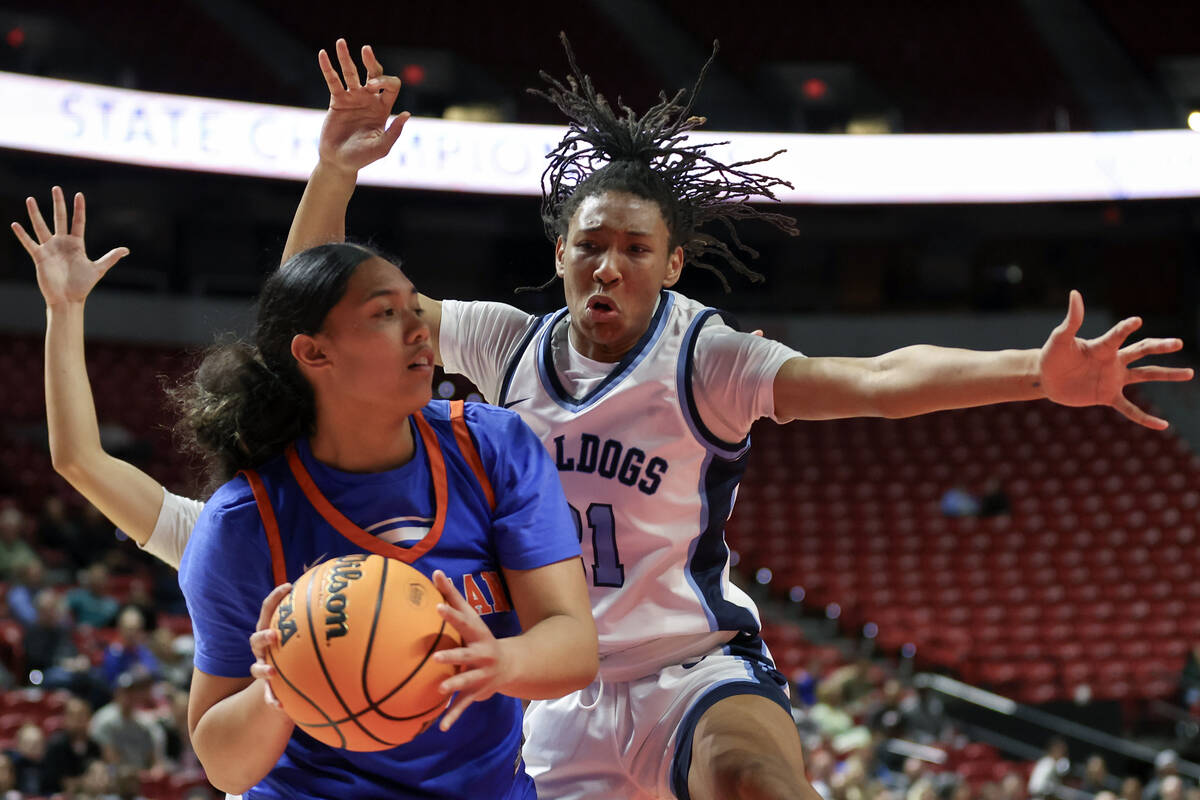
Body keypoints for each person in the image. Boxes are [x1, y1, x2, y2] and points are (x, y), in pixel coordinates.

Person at [278, 38, 1192, 800]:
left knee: (754, 778)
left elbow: (876, 379)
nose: (608, 267)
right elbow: (316, 309)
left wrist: (1037, 371)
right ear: (558, 252)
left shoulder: (705, 360)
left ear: (671, 264)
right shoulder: (503, 344)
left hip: (693, 666)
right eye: (589, 246)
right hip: (556, 687)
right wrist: (332, 172)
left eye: (635, 250)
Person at [14, 189, 597, 798]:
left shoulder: (491, 447)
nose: (420, 329)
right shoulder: (238, 524)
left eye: (413, 308)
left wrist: (502, 663)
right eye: (386, 313)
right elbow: (78, 460)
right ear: (314, 353)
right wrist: (283, 684)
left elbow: (574, 647)